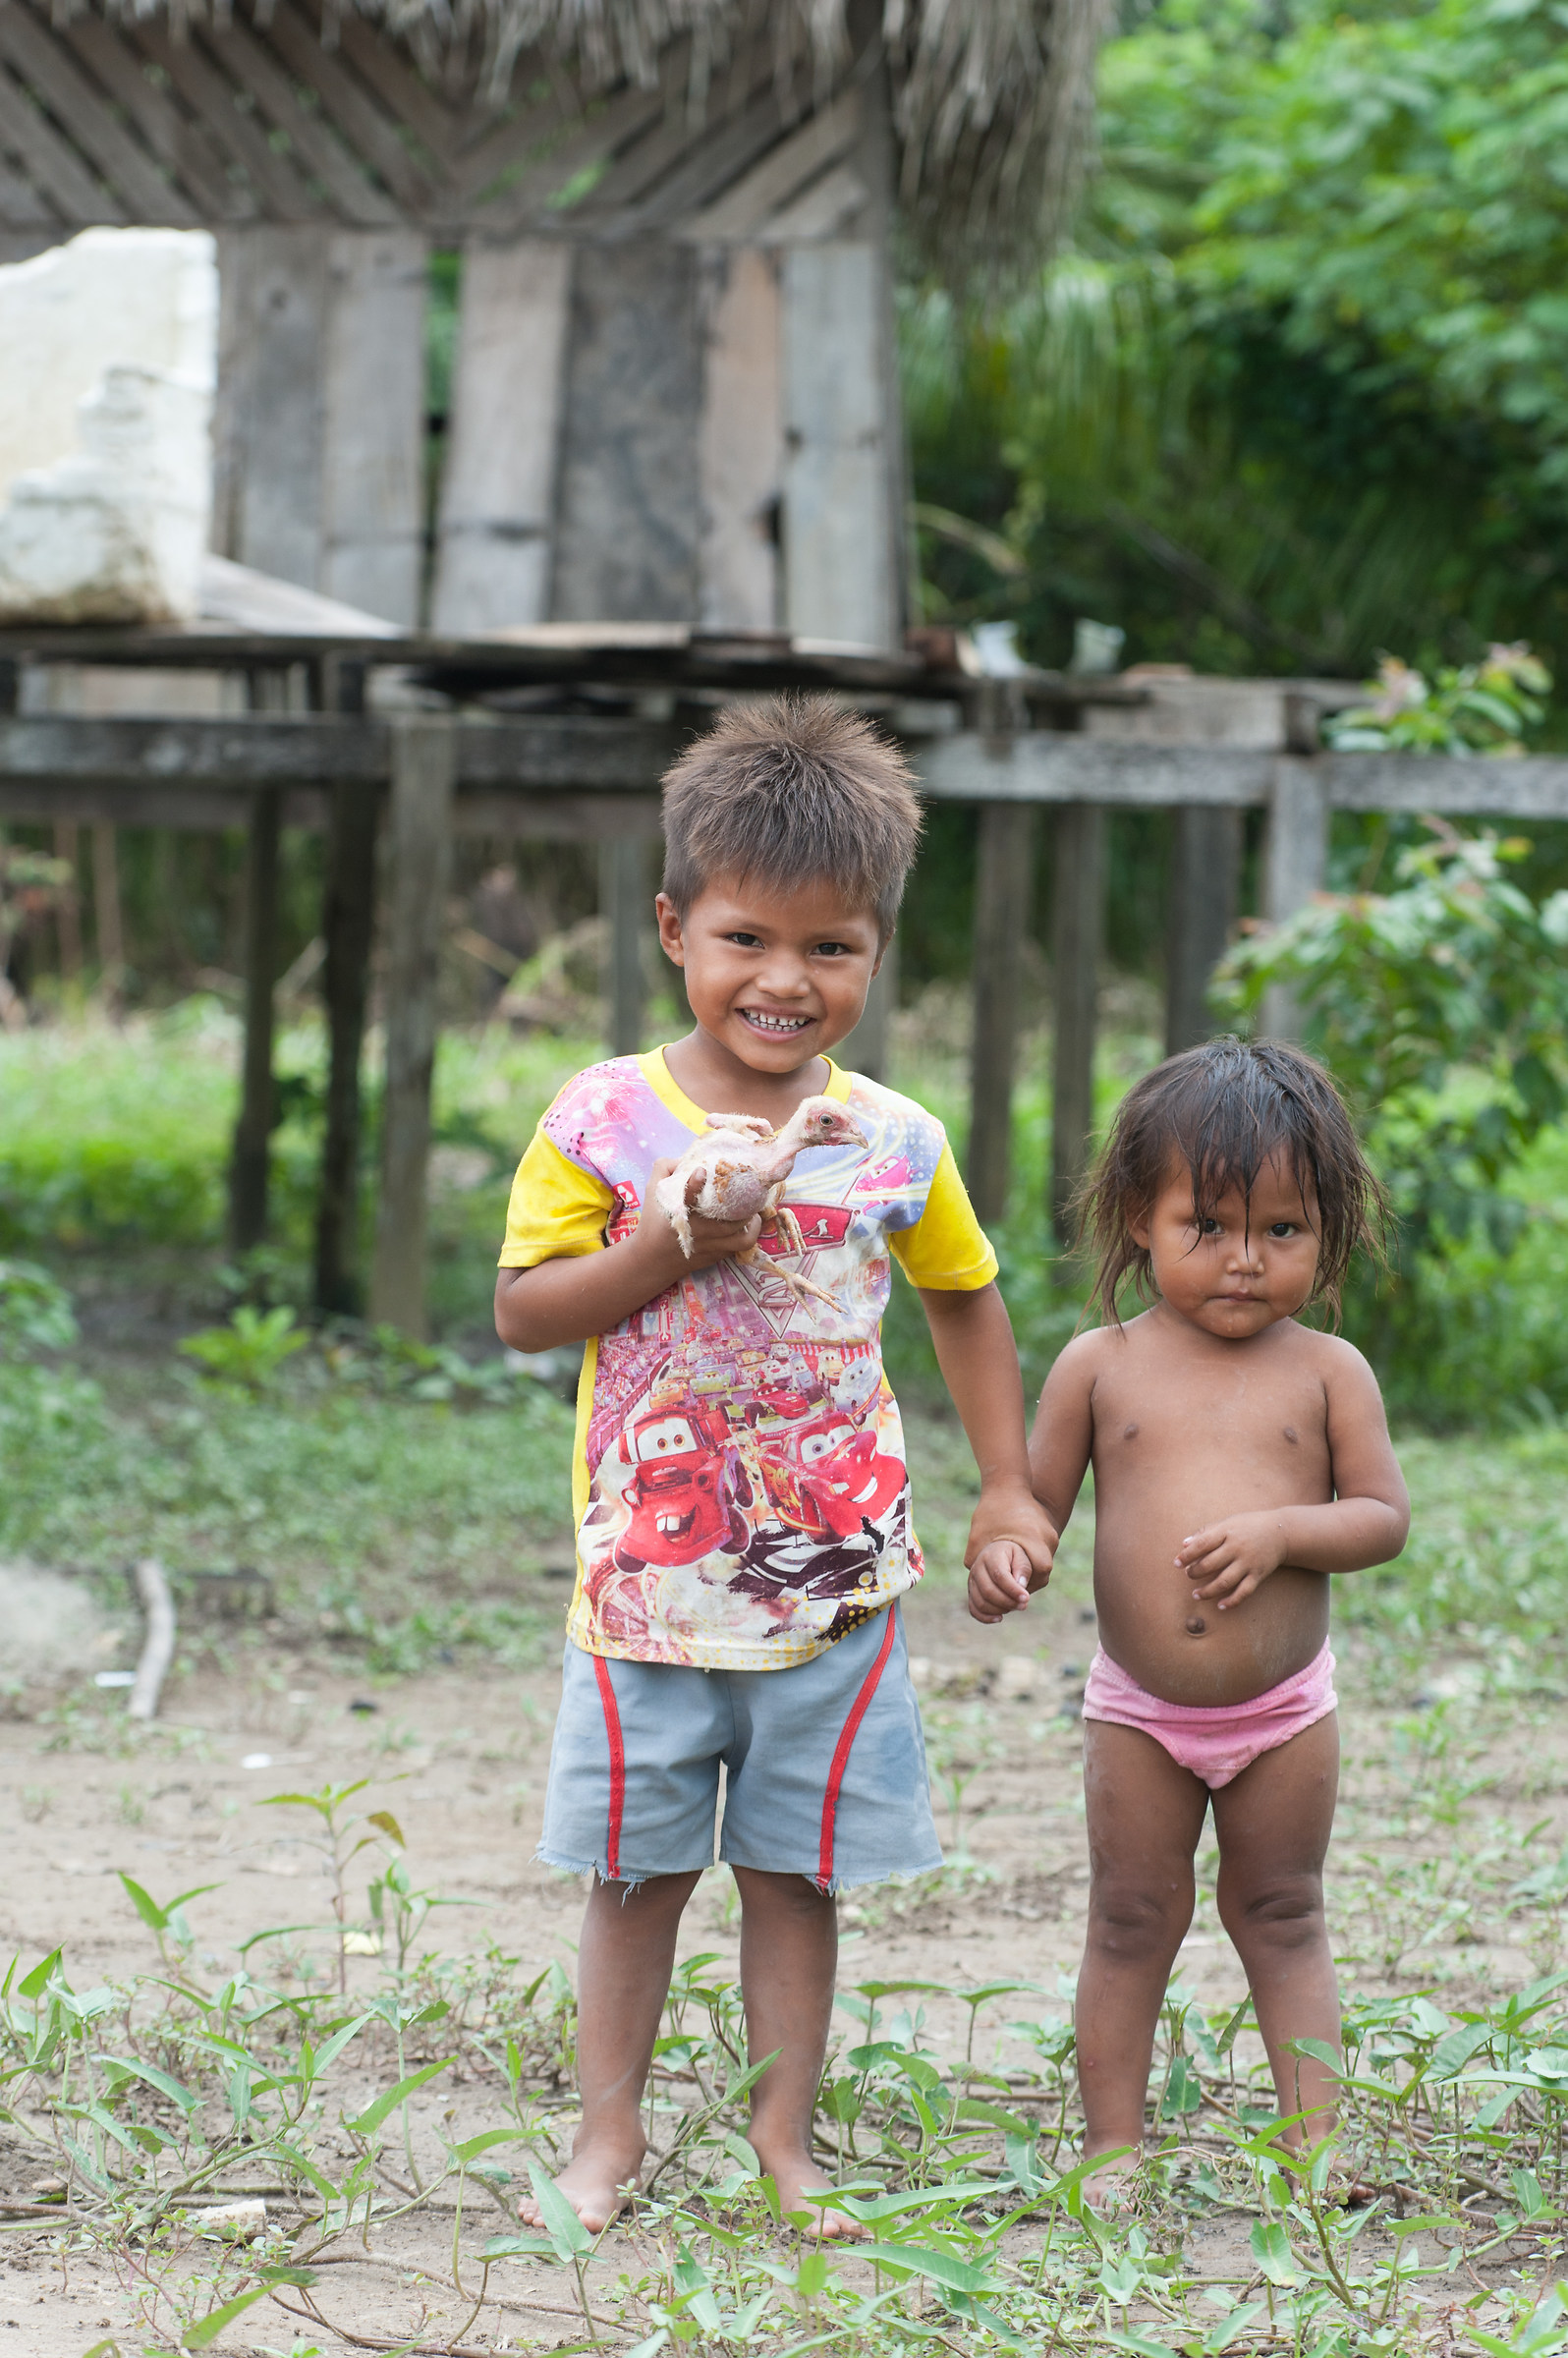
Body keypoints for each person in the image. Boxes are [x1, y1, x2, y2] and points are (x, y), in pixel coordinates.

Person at [496, 696, 1054, 2233]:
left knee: (796, 1878)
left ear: (879, 953)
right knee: (632, 1877)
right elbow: (524, 1314)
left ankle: (783, 2146)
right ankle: (604, 2141)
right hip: (648, 1592)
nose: (785, 980)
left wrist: (1008, 1485)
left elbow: (965, 1297)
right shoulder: (606, 1118)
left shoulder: (893, 1140)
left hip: (836, 1586)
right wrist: (676, 1236)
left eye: (832, 948)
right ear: (676, 927)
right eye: (747, 938)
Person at [970, 1039, 1409, 2201]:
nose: (1244, 1261)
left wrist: (1283, 1532)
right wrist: (1008, 1556)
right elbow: (1035, 1509)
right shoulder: (1098, 1368)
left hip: (1284, 1713)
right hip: (1138, 1712)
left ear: (1330, 1233)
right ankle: (1112, 2151)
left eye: (1282, 1231)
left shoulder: (1329, 1371)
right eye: (1205, 1226)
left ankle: (1314, 2152)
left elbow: (1379, 1519)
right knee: (1128, 1917)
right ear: (1137, 1220)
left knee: (1284, 1911)